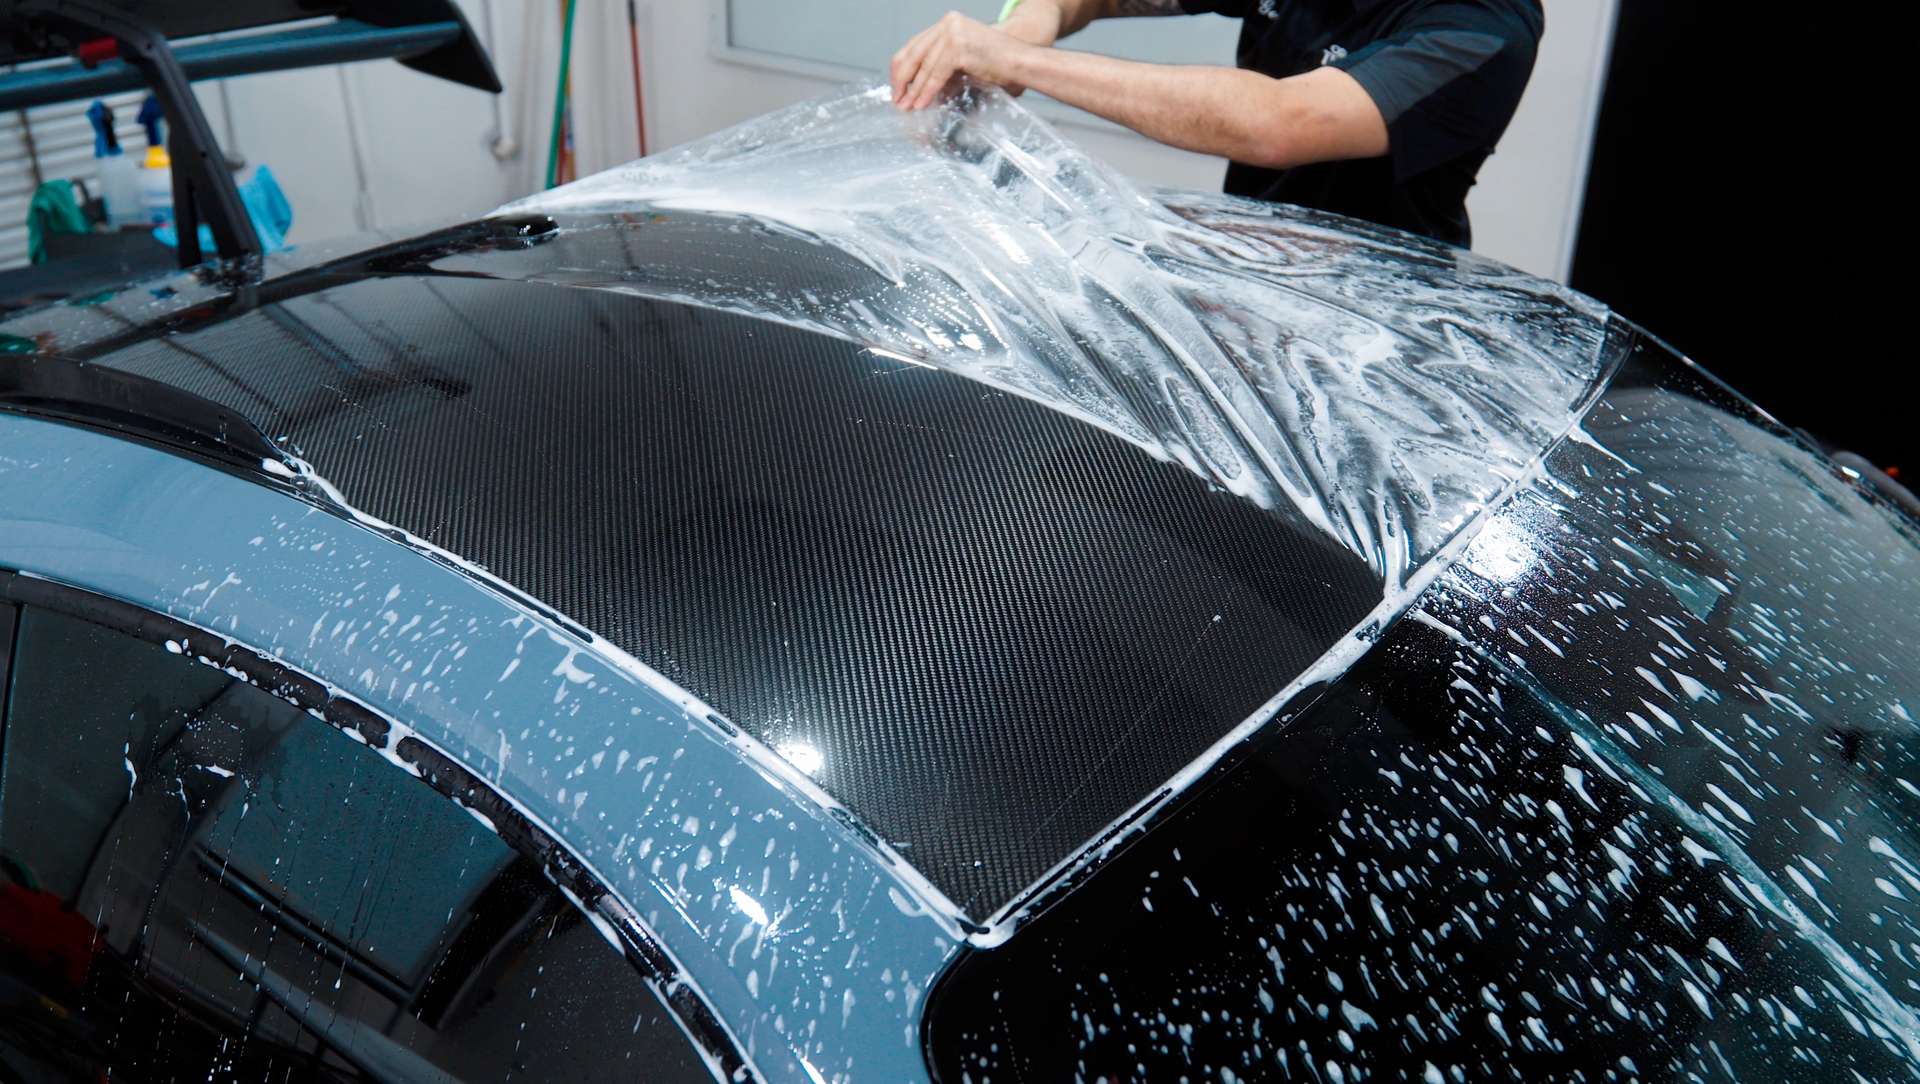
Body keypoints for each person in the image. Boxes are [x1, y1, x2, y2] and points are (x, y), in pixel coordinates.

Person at [890, 0, 1541, 247]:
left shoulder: (1483, 26)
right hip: (1248, 283)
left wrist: (1017, 57)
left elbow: (1276, 125)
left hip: (1379, 337)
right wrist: (1031, 21)